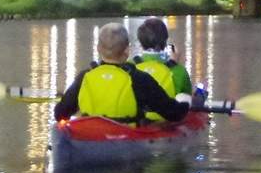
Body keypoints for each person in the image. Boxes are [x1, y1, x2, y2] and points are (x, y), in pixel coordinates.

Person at [54, 22, 190, 124]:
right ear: (127, 51)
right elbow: (173, 114)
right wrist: (186, 103)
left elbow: (60, 114)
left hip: (89, 137)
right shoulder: (139, 79)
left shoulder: (84, 77)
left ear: (98, 49)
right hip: (125, 141)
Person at [131, 17, 193, 98]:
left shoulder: (129, 67)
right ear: (165, 41)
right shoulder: (179, 71)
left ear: (140, 41)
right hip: (168, 110)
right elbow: (187, 98)